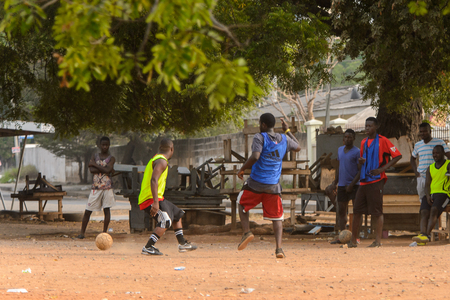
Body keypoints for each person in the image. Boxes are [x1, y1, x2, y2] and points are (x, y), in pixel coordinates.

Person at [236, 113, 301, 258]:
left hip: (255, 184)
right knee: (277, 218)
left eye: (260, 123)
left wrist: (242, 169)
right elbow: (298, 147)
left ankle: (246, 232)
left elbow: (255, 156)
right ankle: (279, 249)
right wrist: (287, 131)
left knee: (241, 203)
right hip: (273, 186)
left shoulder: (260, 137)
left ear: (263, 125)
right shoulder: (284, 139)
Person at [347, 117, 402, 248]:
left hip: (377, 180)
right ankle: (353, 240)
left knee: (377, 212)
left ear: (376, 127)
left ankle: (377, 241)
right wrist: (361, 161)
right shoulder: (363, 142)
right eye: (366, 126)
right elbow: (362, 159)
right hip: (364, 180)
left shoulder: (383, 141)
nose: (367, 128)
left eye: (370, 126)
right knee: (357, 210)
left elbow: (398, 155)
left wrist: (382, 169)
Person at [138, 138, 197, 255]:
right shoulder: (162, 161)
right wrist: (155, 202)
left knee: (177, 214)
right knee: (165, 221)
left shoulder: (157, 159)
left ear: (160, 148)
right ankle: (148, 247)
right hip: (149, 198)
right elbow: (154, 180)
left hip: (157, 197)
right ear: (171, 149)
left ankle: (182, 244)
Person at [77, 136, 116, 239]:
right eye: (103, 145)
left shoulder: (111, 158)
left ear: (109, 145)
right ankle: (82, 233)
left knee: (106, 210)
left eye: (106, 145)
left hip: (107, 188)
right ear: (99, 145)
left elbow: (105, 170)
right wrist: (105, 169)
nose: (105, 147)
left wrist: (94, 165)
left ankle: (104, 233)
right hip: (96, 188)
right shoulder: (95, 156)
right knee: (88, 210)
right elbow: (92, 170)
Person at [412, 145, 450, 244]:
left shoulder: (448, 164)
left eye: (437, 153)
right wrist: (428, 196)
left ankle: (425, 235)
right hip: (432, 194)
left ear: (443, 154)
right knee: (424, 211)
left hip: (444, 194)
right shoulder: (430, 168)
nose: (435, 155)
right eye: (433, 153)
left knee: (434, 210)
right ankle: (422, 234)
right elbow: (427, 184)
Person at [330, 129, 360, 244]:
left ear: (354, 138)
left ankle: (355, 237)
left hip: (354, 185)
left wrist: (352, 184)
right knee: (341, 211)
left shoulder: (357, 152)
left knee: (356, 211)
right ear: (343, 138)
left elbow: (360, 170)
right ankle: (342, 236)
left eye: (350, 137)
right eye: (346, 137)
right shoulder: (340, 150)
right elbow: (339, 167)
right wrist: (335, 182)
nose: (348, 139)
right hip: (342, 185)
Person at [410, 122, 450, 203]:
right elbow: (412, 158)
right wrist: (415, 171)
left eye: (425, 131)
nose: (422, 133)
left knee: (435, 201)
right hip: (422, 176)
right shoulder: (418, 145)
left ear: (430, 131)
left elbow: (448, 155)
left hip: (435, 177)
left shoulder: (439, 142)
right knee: (423, 201)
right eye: (421, 131)